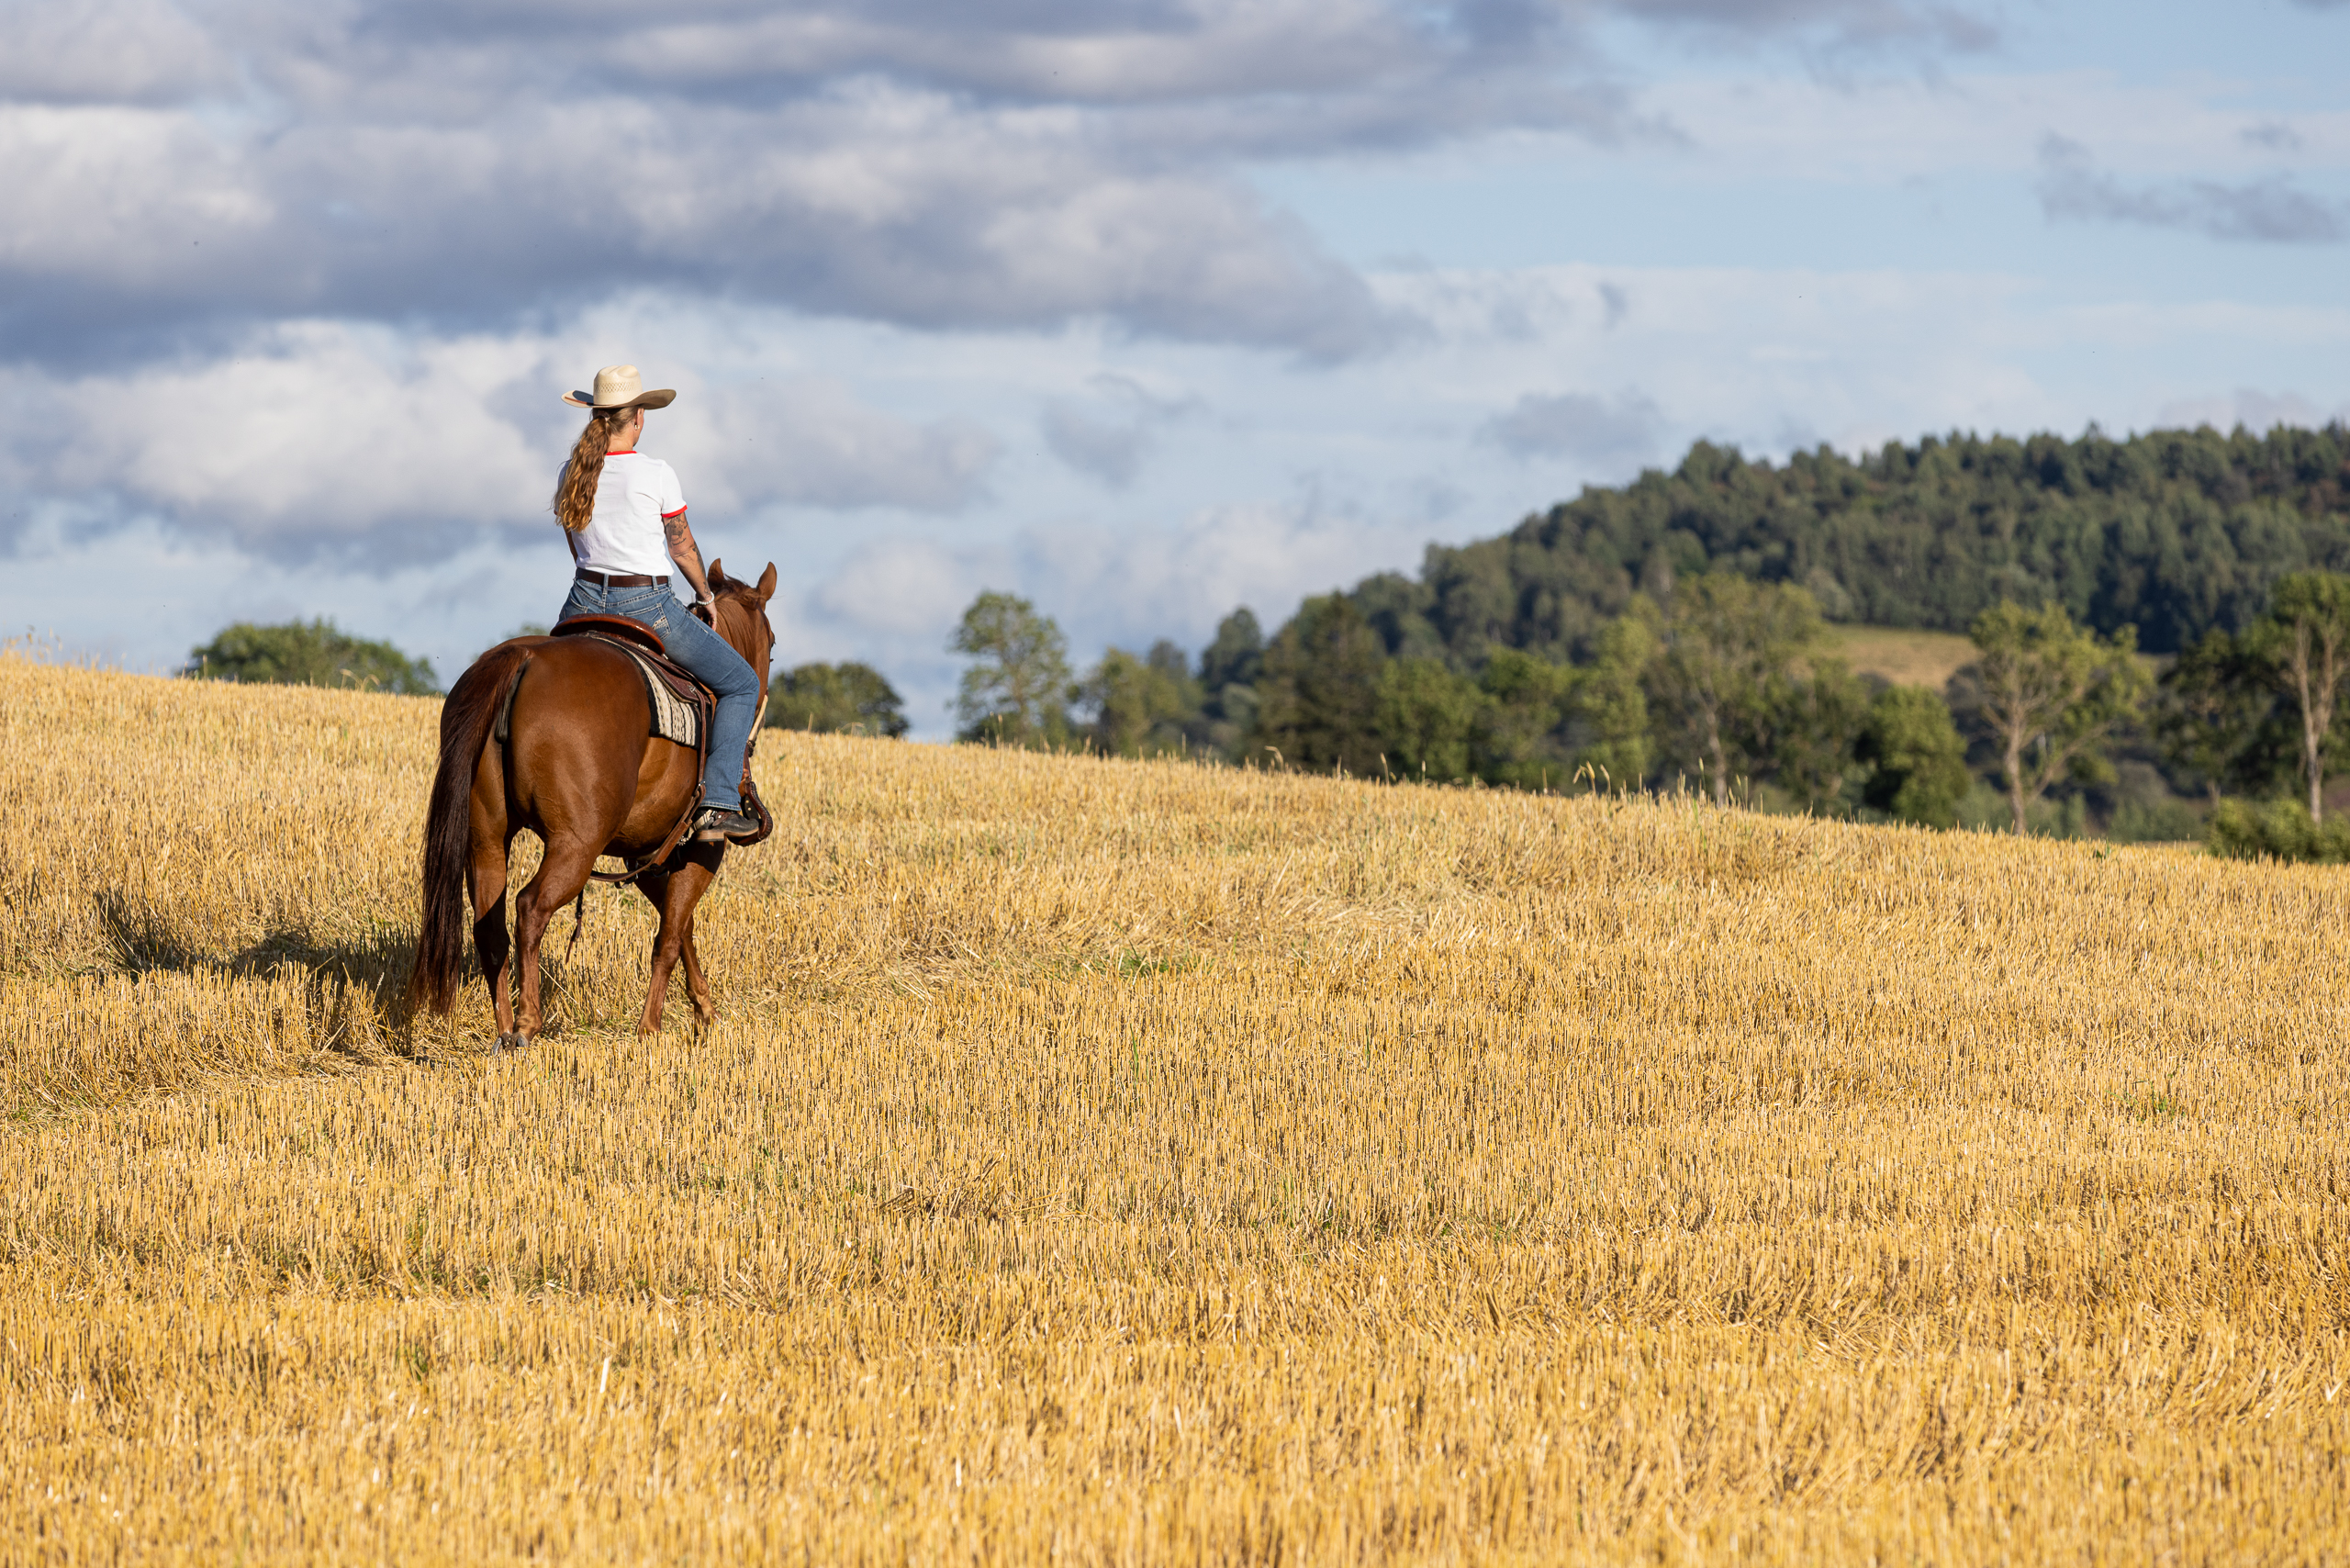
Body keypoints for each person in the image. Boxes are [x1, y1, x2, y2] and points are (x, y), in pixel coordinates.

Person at [551, 364, 761, 843]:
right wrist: (706, 597)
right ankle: (719, 803)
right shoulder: (656, 473)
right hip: (647, 605)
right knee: (741, 684)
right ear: (639, 417)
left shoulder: (571, 472)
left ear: (595, 415)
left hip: (581, 601)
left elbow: (574, 546)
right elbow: (682, 548)